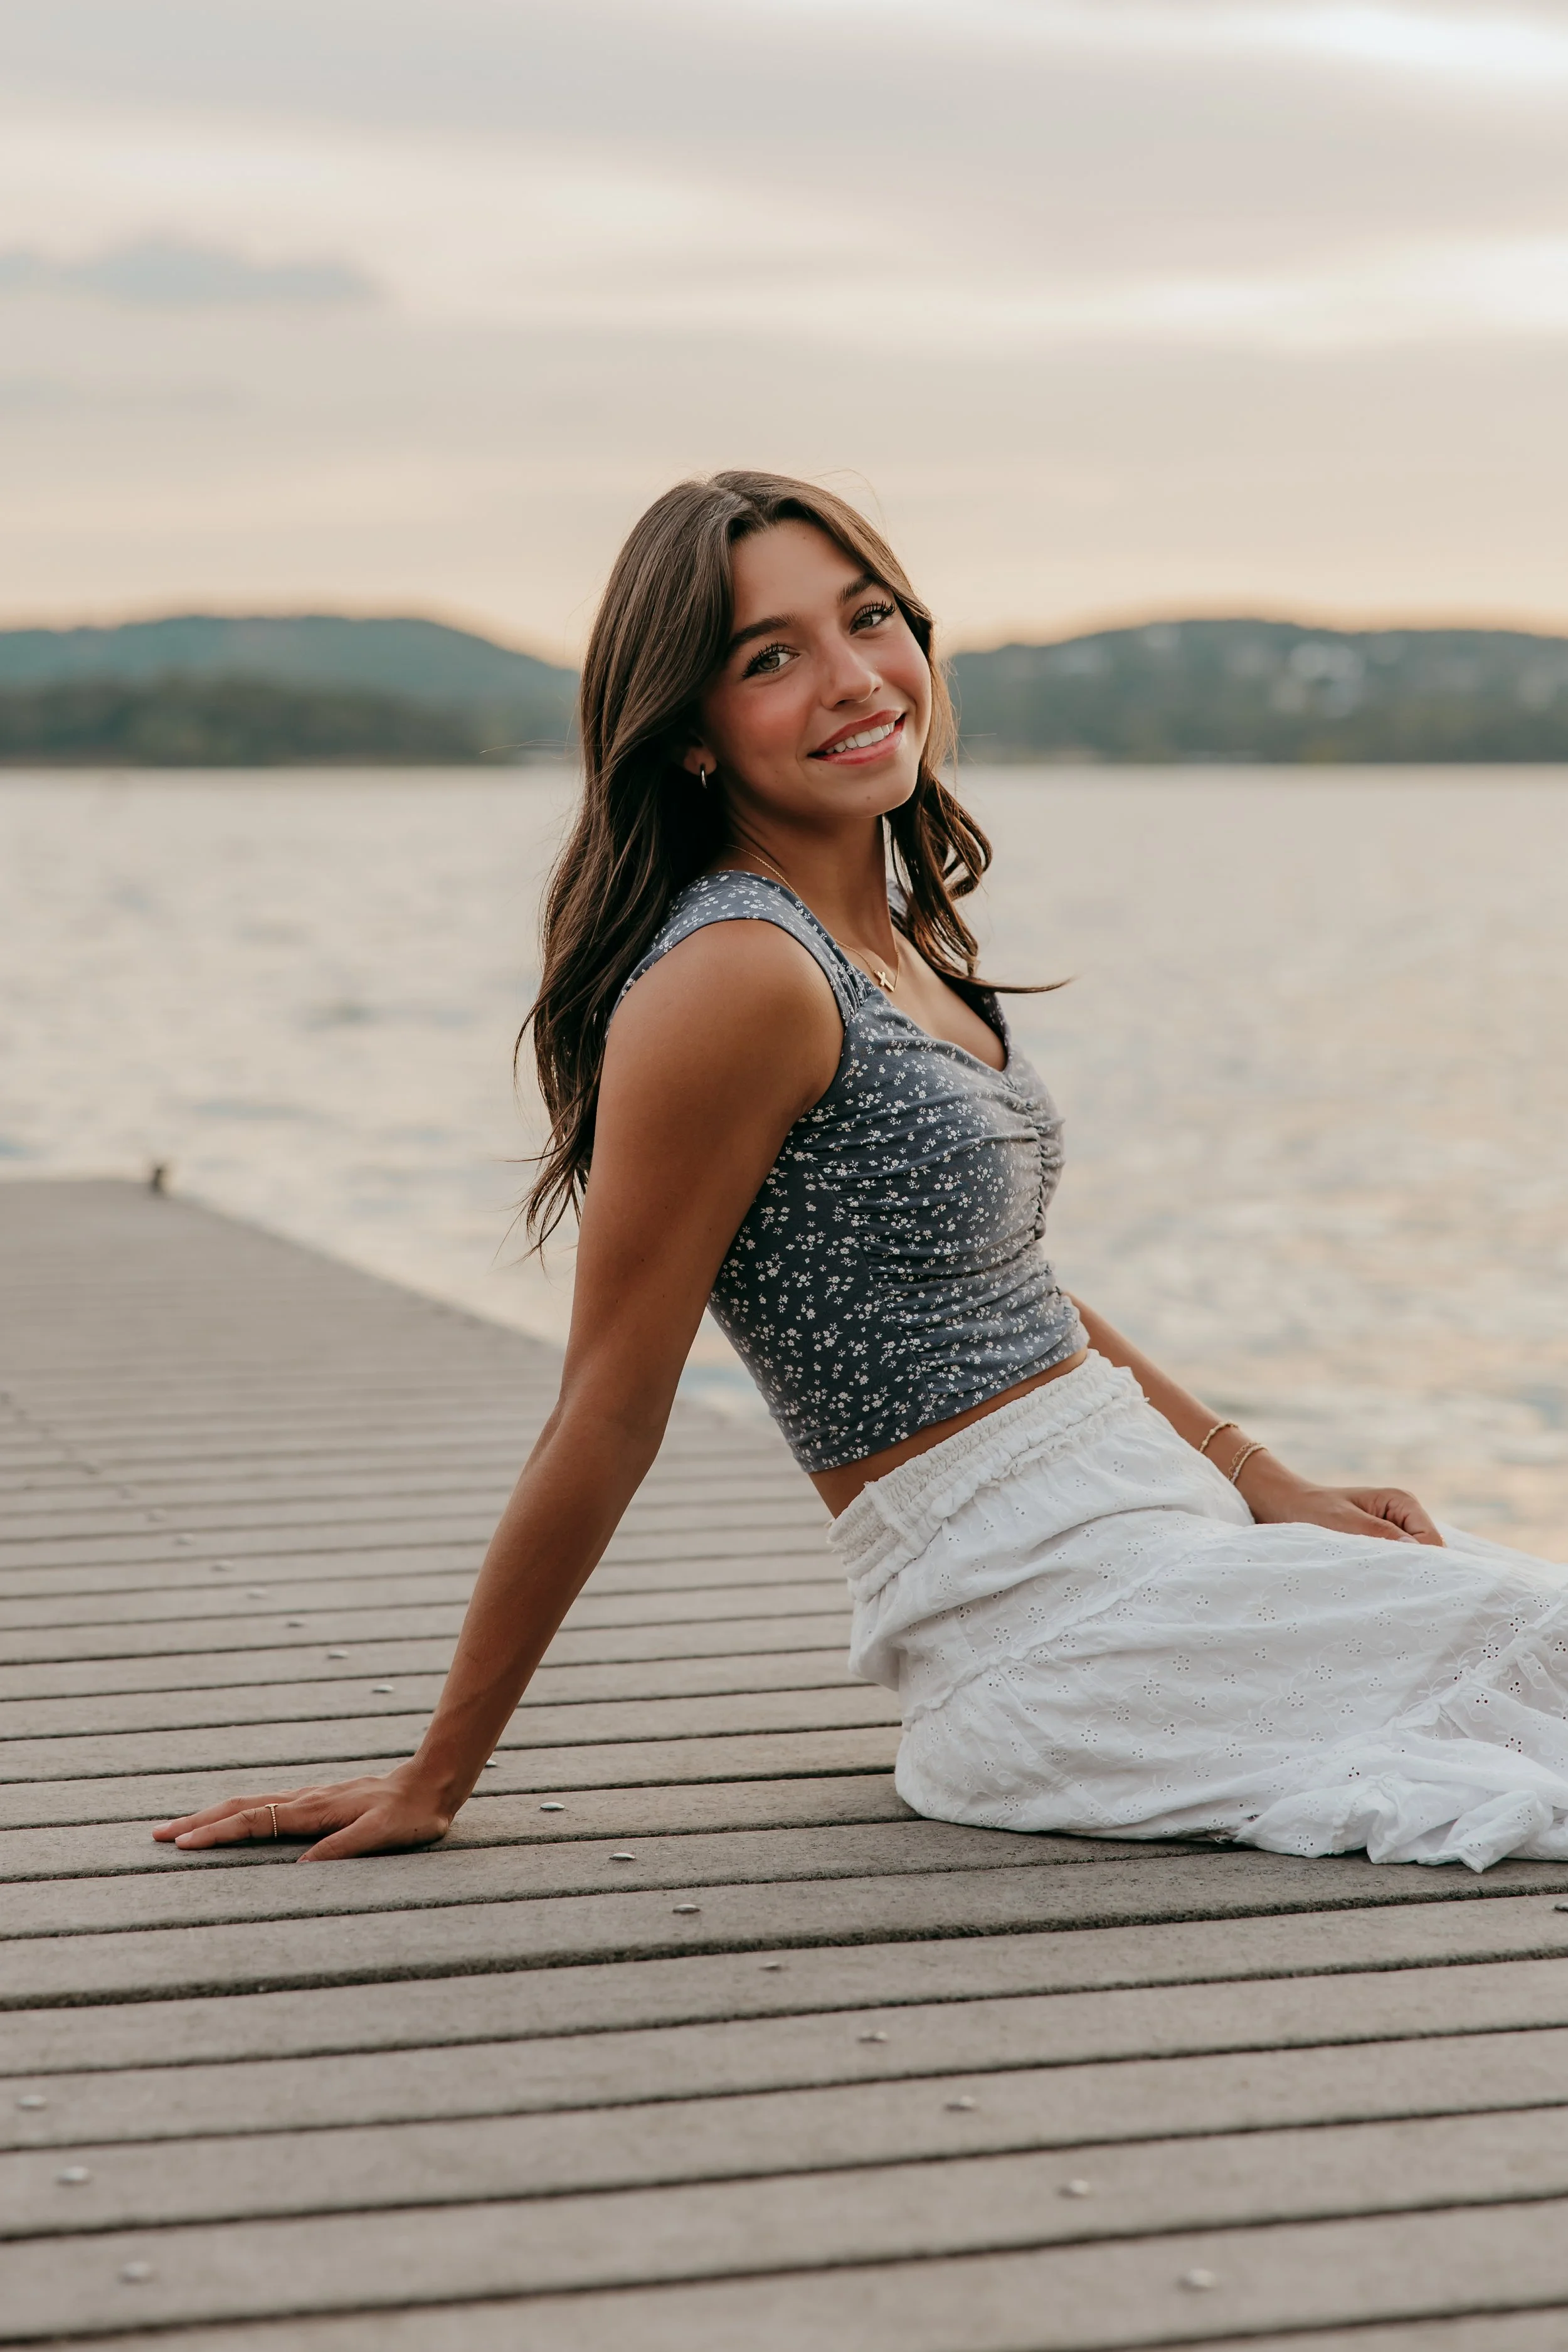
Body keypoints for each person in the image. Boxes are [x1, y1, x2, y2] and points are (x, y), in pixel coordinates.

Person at [157, 470, 1568, 1876]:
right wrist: (436, 1772)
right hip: (1050, 1622)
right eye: (770, 658)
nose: (850, 679)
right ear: (692, 732)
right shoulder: (736, 976)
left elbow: (1015, 1288)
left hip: (1156, 1536)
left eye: (869, 618)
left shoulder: (893, 945)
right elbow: (607, 1402)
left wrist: (1273, 1482)